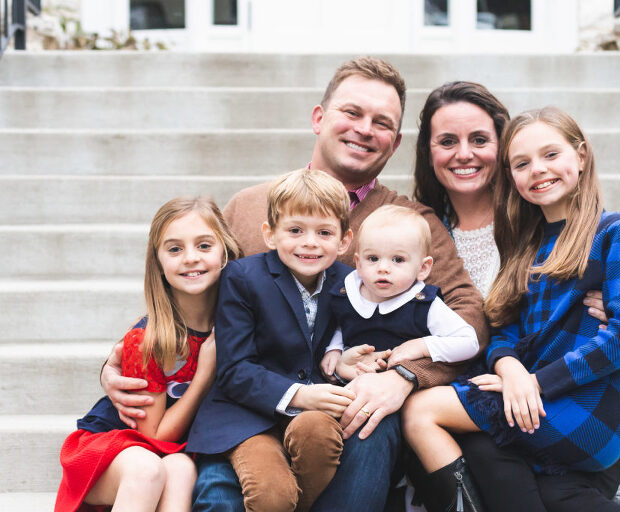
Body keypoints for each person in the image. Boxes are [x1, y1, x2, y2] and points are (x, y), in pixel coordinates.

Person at [100, 57, 487, 512]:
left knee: (368, 420)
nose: (365, 129)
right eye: (352, 112)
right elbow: (193, 288)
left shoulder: (409, 224)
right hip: (250, 401)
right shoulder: (251, 207)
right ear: (319, 117)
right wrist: (121, 359)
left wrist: (405, 375)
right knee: (222, 490)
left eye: (382, 122)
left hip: (347, 405)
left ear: (396, 142)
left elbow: (468, 318)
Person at [402, 106, 620, 512]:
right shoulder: (527, 246)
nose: (537, 170)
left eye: (551, 155)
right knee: (546, 491)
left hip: (588, 409)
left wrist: (537, 383)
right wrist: (511, 369)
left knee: (421, 409)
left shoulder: (617, 231)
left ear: (582, 155)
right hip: (536, 398)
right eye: (522, 163)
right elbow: (504, 329)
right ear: (512, 178)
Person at [55, 197, 242, 512]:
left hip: (172, 453)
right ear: (158, 262)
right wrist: (204, 374)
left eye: (204, 246)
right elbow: (154, 435)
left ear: (225, 252)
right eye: (174, 249)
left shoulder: (236, 322)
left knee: (181, 468)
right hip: (116, 448)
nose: (190, 258)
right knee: (148, 469)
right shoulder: (148, 338)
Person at [186, 169, 357, 512]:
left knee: (318, 434)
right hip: (247, 415)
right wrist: (301, 394)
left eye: (324, 232)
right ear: (270, 234)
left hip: (313, 417)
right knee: (272, 495)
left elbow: (364, 331)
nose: (309, 242)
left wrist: (346, 356)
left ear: (344, 241)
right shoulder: (243, 277)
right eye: (295, 230)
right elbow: (234, 369)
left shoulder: (350, 281)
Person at [320, 205, 479, 382]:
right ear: (358, 264)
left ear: (423, 268)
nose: (383, 268)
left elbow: (469, 342)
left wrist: (423, 346)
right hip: (354, 384)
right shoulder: (346, 295)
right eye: (373, 258)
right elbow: (342, 326)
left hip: (406, 392)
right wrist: (334, 349)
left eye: (398, 260)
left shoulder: (423, 305)